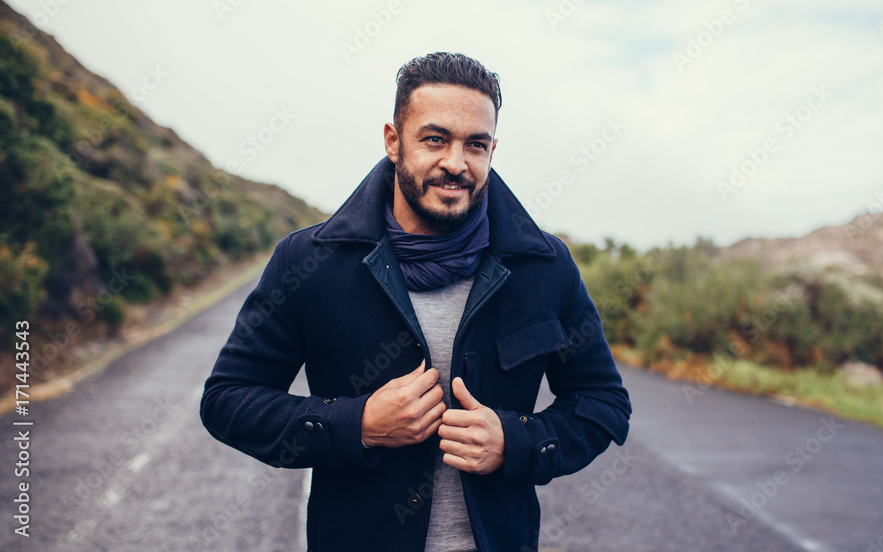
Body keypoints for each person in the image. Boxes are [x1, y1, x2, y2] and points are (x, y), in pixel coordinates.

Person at [200, 51, 631, 552]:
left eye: (476, 144)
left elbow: (604, 402)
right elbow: (228, 399)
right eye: (435, 139)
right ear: (393, 141)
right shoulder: (309, 261)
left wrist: (518, 442)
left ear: (492, 149)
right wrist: (356, 424)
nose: (456, 163)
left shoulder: (543, 265)